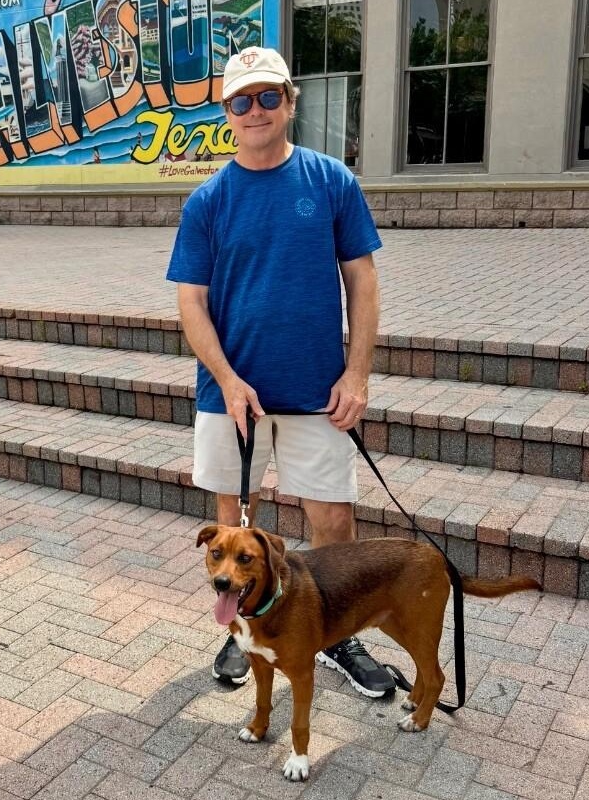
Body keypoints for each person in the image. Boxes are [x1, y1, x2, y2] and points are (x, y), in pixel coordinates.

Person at [166, 46, 395, 698]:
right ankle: (242, 630)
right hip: (229, 395)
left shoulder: (331, 183)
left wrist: (356, 376)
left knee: (333, 525)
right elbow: (191, 302)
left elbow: (363, 280)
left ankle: (335, 634)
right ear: (227, 114)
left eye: (269, 96)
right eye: (242, 100)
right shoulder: (207, 201)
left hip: (317, 392)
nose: (257, 109)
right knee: (235, 527)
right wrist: (228, 378)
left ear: (289, 102)